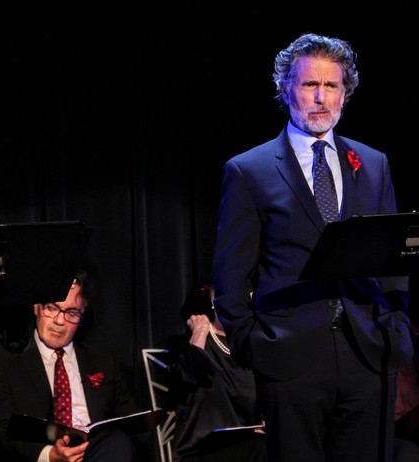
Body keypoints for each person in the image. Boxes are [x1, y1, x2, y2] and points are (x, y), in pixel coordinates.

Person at [211, 33, 415, 462]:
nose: (321, 98)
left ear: (346, 92)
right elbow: (231, 276)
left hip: (367, 352)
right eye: (309, 85)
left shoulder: (373, 163)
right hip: (289, 357)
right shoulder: (250, 170)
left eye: (331, 86)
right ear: (287, 89)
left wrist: (393, 327)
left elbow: (393, 258)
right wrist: (253, 344)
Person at [0, 269, 146, 462]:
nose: (60, 321)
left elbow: (135, 425)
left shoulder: (103, 361)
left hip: (98, 455)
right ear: (36, 306)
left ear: (82, 315)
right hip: (44, 457)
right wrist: (50, 456)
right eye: (52, 308)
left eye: (71, 313)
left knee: (118, 440)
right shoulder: (9, 365)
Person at [166, 281, 267, 462]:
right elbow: (182, 382)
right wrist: (200, 332)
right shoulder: (192, 343)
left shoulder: (252, 347)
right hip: (200, 450)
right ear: (214, 300)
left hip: (247, 445)